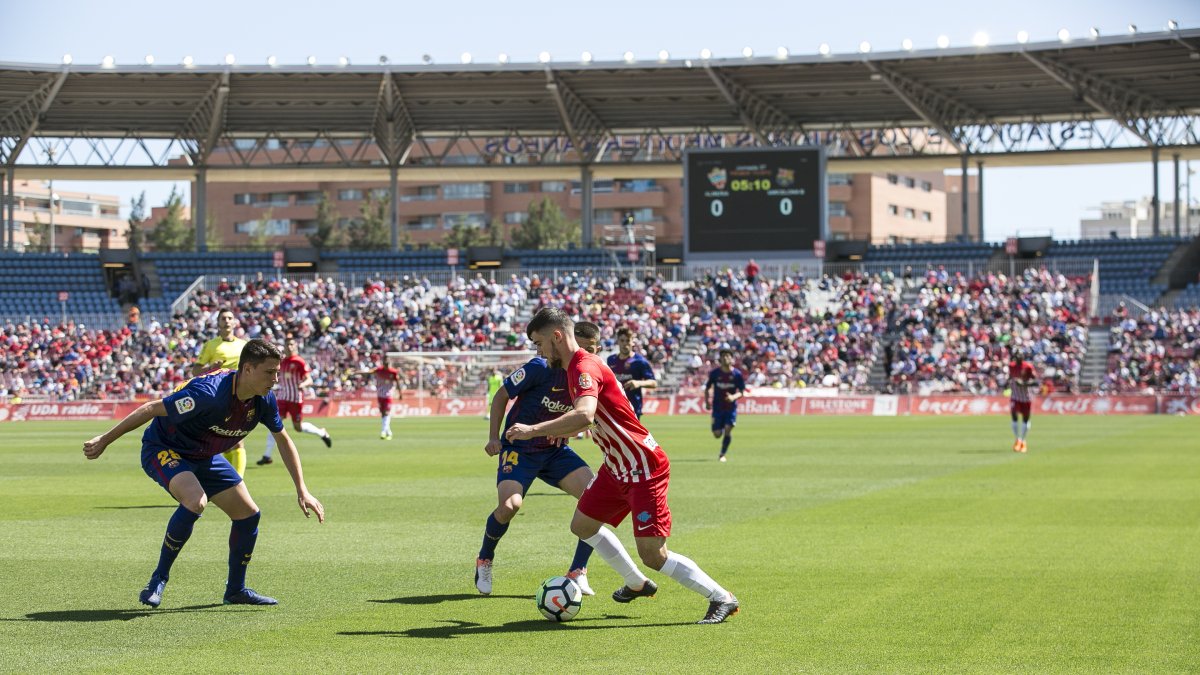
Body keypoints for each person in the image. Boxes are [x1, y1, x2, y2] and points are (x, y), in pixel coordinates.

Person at [505, 307, 739, 625]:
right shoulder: (578, 367)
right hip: (616, 467)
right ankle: (635, 583)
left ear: (556, 336)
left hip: (642, 466)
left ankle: (720, 597)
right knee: (582, 526)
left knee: (653, 554)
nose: (539, 351)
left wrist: (533, 430)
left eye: (539, 343)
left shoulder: (584, 367)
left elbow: (585, 415)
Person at [82, 339, 325, 607]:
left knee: (248, 515)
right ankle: (158, 579)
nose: (276, 379)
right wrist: (104, 439)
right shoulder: (208, 394)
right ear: (247, 369)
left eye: (277, 372)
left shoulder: (264, 400)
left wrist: (302, 489)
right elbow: (151, 408)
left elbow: (283, 440)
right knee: (196, 500)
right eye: (270, 372)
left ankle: (235, 590)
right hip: (165, 448)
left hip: (204, 456)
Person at [476, 354, 595, 597]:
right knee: (509, 506)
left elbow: (586, 418)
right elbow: (501, 396)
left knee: (597, 499)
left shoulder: (586, 374)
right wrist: (493, 437)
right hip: (520, 449)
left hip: (555, 452)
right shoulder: (539, 367)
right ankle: (485, 558)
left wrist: (570, 431)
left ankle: (578, 570)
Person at [257, 336, 331, 466]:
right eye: (287, 344)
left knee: (298, 427)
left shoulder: (299, 362)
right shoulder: (281, 361)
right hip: (282, 398)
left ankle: (321, 432)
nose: (289, 347)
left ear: (295, 346)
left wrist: (303, 384)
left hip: (296, 398)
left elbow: (309, 379)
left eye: (292, 344)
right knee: (274, 424)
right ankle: (267, 455)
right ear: (284, 347)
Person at [194, 308, 249, 476]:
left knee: (238, 442)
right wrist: (211, 368)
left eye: (229, 317)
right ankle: (226, 482)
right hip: (216, 398)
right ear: (218, 323)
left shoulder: (244, 345)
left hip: (239, 398)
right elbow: (195, 371)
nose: (226, 320)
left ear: (234, 322)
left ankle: (237, 482)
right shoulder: (211, 345)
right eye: (223, 318)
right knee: (219, 442)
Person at [705, 349, 746, 462]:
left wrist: (733, 397)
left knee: (728, 429)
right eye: (723, 356)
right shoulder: (715, 373)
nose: (725, 358)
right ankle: (719, 426)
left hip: (730, 408)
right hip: (717, 407)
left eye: (728, 356)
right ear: (720, 359)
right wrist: (707, 401)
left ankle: (722, 454)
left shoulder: (737, 374)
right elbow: (708, 387)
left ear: (732, 359)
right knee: (717, 434)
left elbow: (742, 391)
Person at [607, 327, 657, 419]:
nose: (625, 344)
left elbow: (654, 383)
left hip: (633, 408)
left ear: (632, 342)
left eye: (628, 340)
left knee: (630, 434)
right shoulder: (611, 360)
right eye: (622, 340)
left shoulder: (640, 361)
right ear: (618, 342)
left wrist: (638, 383)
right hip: (614, 407)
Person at [1007, 349, 1038, 453]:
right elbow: (1010, 377)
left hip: (1026, 396)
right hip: (1015, 395)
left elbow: (1035, 381)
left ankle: (1023, 441)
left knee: (1025, 419)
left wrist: (1024, 384)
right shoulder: (1011, 366)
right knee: (1014, 415)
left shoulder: (1028, 367)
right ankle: (1018, 439)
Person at [364, 358, 401, 440]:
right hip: (380, 395)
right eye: (385, 364)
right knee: (383, 414)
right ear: (383, 364)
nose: (386, 366)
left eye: (388, 364)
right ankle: (389, 432)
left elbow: (397, 382)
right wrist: (356, 372)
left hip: (388, 395)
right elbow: (369, 371)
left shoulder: (393, 372)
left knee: (387, 412)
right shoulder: (379, 370)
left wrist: (400, 393)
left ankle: (383, 432)